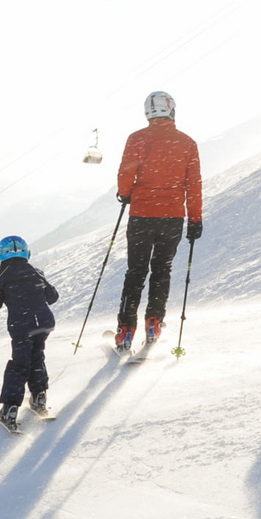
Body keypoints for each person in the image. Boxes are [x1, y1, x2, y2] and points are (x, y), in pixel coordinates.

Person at [114, 91, 203, 354]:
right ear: (171, 110)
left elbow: (126, 172)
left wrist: (126, 193)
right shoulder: (187, 143)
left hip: (142, 215)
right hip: (172, 217)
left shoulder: (137, 139)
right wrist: (195, 219)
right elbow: (193, 185)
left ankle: (125, 330)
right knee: (161, 271)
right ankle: (154, 322)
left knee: (136, 273)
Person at [0, 235, 60, 431]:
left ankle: (10, 409)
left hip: (23, 326)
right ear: (26, 253)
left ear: (0, 257)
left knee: (20, 364)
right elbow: (53, 297)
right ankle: (39, 398)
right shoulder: (36, 272)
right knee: (37, 357)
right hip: (44, 323)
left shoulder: (2, 277)